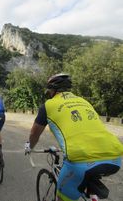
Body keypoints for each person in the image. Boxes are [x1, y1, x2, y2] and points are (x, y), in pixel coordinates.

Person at [24, 73, 123, 201]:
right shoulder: (84, 102)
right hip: (115, 159)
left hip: (80, 163)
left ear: (52, 90)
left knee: (63, 197)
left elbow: (34, 134)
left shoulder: (48, 106)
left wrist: (29, 147)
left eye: (48, 90)